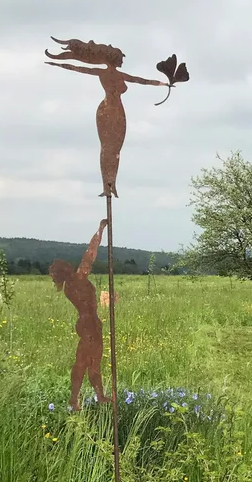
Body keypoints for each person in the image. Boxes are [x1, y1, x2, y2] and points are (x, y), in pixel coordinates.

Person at [45, 38, 167, 198]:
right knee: (108, 148)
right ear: (115, 59)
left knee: (115, 150)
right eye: (121, 58)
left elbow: (141, 80)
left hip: (117, 111)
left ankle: (111, 184)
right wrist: (57, 64)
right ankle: (106, 185)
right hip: (108, 110)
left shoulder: (116, 74)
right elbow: (78, 68)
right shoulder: (104, 73)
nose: (122, 61)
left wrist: (162, 84)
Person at [50, 219, 111, 411]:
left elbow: (89, 256)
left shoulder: (69, 287)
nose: (86, 268)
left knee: (85, 361)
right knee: (88, 361)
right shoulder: (77, 281)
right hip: (90, 325)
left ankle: (81, 397)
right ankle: (87, 397)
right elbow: (90, 253)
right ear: (68, 270)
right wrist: (100, 231)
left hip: (87, 323)